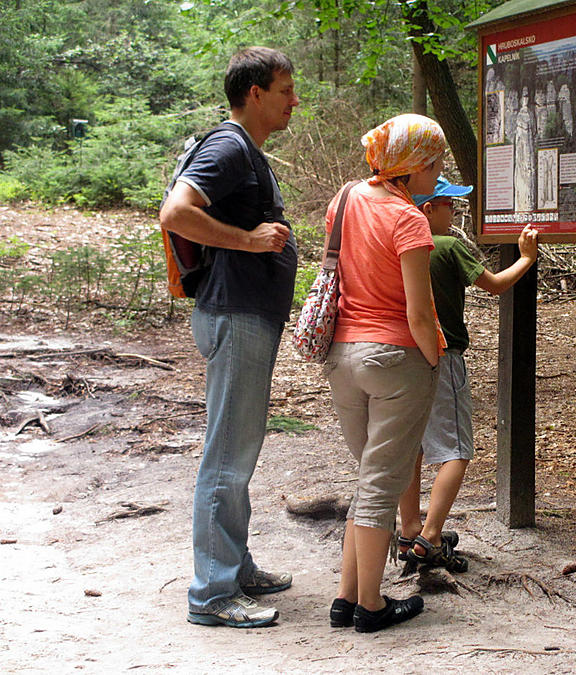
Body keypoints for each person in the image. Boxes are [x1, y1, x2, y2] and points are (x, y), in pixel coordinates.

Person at [159, 47, 300, 629]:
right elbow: (177, 212)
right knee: (227, 455)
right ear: (255, 92)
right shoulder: (229, 146)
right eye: (286, 89)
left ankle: (235, 567)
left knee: (239, 450)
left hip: (246, 316)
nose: (295, 100)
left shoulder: (249, 153)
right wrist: (246, 242)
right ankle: (213, 593)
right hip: (235, 314)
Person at [324, 114, 447, 633]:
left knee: (368, 480)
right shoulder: (409, 219)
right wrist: (435, 360)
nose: (438, 173)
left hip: (343, 356)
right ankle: (372, 607)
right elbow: (420, 314)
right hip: (395, 359)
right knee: (379, 487)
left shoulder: (346, 198)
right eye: (434, 162)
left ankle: (346, 596)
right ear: (413, 165)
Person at [398, 177, 539, 571]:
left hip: (405, 356)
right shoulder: (447, 245)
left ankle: (408, 528)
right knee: (457, 450)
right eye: (450, 207)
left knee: (412, 445)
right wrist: (526, 258)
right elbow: (493, 285)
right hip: (444, 355)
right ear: (429, 209)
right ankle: (430, 537)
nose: (455, 214)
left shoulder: (398, 243)